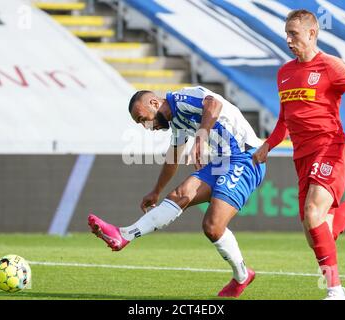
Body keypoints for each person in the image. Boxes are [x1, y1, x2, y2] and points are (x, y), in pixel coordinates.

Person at [252, 9, 345, 300]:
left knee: (312, 213)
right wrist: (268, 144)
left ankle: (335, 289)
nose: (289, 40)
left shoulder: (331, 66)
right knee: (318, 234)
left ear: (312, 33)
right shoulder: (285, 73)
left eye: (294, 34)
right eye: (287, 34)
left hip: (329, 148)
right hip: (302, 156)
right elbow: (285, 119)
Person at [88, 86, 266, 298]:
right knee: (178, 195)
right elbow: (173, 158)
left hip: (247, 158)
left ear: (154, 103)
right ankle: (124, 234)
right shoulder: (178, 122)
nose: (146, 127)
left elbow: (214, 104)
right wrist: (156, 191)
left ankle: (241, 276)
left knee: (212, 226)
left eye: (143, 119)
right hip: (221, 163)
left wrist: (199, 139)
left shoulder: (182, 98)